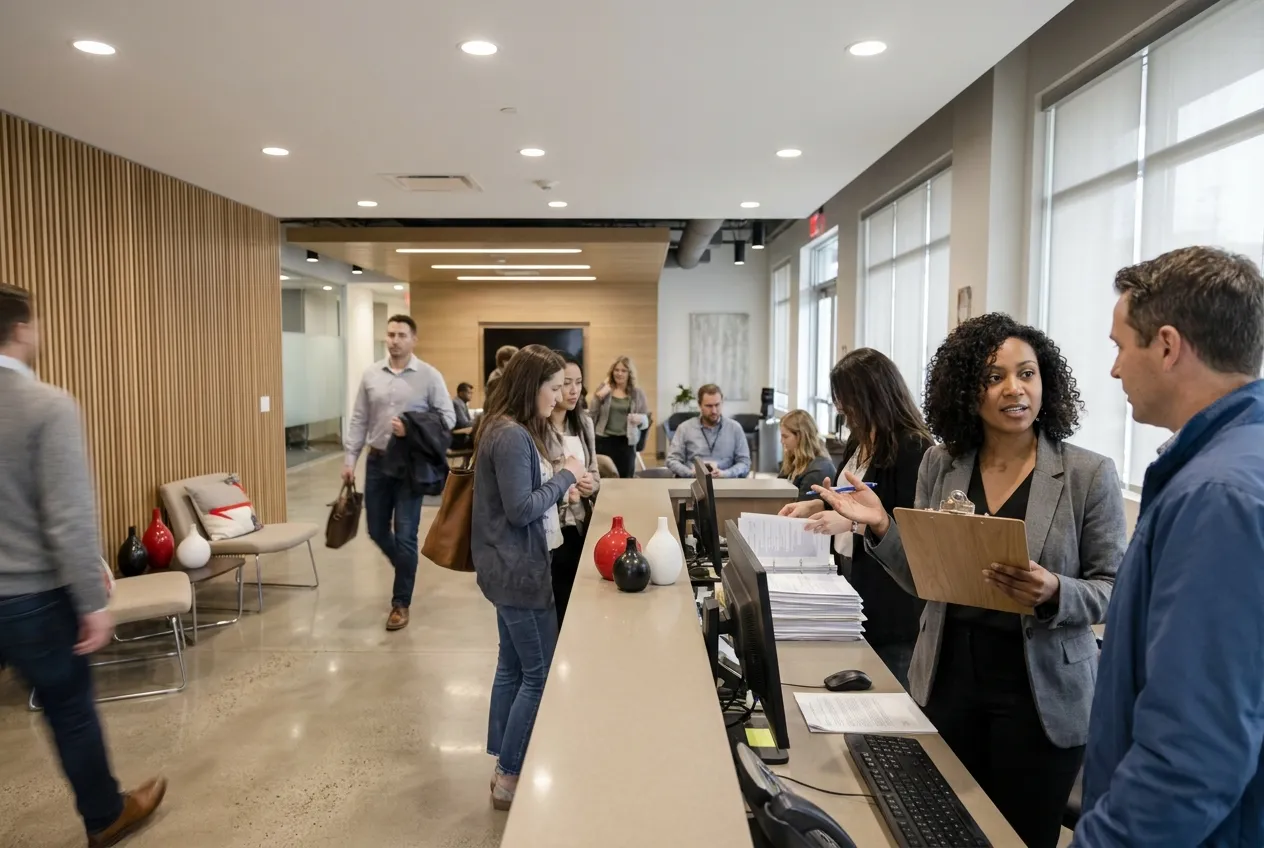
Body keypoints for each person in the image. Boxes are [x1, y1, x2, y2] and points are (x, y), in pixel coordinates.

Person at [815, 315, 1125, 848]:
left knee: (1018, 836)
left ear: (1045, 381)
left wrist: (1056, 592)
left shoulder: (1087, 475)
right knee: (941, 830)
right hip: (949, 679)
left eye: (1026, 373)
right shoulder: (943, 464)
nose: (1014, 389)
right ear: (966, 390)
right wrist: (884, 525)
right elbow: (926, 577)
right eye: (994, 376)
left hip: (1040, 697)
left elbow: (1114, 588)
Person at [1073, 247, 1264, 847]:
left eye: (1119, 346)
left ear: (1167, 345)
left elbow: (1191, 750)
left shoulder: (1217, 496)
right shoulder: (1233, 466)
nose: (1113, 370)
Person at [0, 284, 168, 847]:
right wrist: (94, 603)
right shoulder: (46, 406)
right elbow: (67, 517)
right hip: (33, 597)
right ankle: (105, 816)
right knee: (69, 710)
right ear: (22, 329)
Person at [471, 345, 587, 811]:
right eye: (555, 387)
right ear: (530, 386)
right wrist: (566, 478)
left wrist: (557, 475)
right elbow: (521, 510)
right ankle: (510, 774)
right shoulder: (513, 436)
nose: (560, 396)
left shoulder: (504, 429)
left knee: (513, 666)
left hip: (505, 566)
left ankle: (504, 759)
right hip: (518, 569)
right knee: (538, 673)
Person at [780, 348, 932, 687]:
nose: (841, 409)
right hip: (852, 579)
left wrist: (851, 524)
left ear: (871, 394)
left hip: (891, 596)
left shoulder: (915, 448)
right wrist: (817, 506)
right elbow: (851, 500)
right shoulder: (860, 440)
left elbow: (907, 526)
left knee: (888, 687)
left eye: (846, 399)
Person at [343, 314, 456, 631]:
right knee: (376, 530)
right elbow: (359, 420)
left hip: (410, 467)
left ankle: (400, 602)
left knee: (406, 535)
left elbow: (447, 419)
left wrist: (412, 426)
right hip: (377, 461)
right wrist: (350, 459)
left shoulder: (429, 376)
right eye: (390, 334)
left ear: (413, 339)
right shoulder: (371, 375)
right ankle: (405, 568)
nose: (394, 340)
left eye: (401, 335)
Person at [547, 352, 600, 627]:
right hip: (551, 529)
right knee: (557, 604)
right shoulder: (537, 427)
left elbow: (595, 475)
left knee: (579, 603)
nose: (573, 390)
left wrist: (589, 485)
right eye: (566, 383)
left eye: (578, 382)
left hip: (580, 525)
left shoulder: (584, 423)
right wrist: (563, 486)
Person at [665, 384, 750, 478]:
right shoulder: (685, 428)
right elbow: (672, 460)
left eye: (717, 405)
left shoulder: (735, 428)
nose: (714, 411)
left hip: (727, 484)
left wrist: (725, 474)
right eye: (709, 406)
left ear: (722, 403)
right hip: (693, 483)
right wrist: (691, 473)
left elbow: (745, 463)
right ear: (699, 405)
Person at [590, 355, 650, 478]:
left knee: (625, 479)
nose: (619, 374)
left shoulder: (637, 393)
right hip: (604, 441)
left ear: (629, 373)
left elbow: (645, 420)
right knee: (604, 478)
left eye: (623, 371)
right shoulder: (605, 389)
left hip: (626, 442)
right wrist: (599, 396)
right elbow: (592, 413)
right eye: (616, 370)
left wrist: (640, 419)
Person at [777, 409, 834, 499]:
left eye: (785, 436)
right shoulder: (794, 461)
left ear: (801, 437)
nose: (782, 441)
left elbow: (803, 507)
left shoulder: (817, 471)